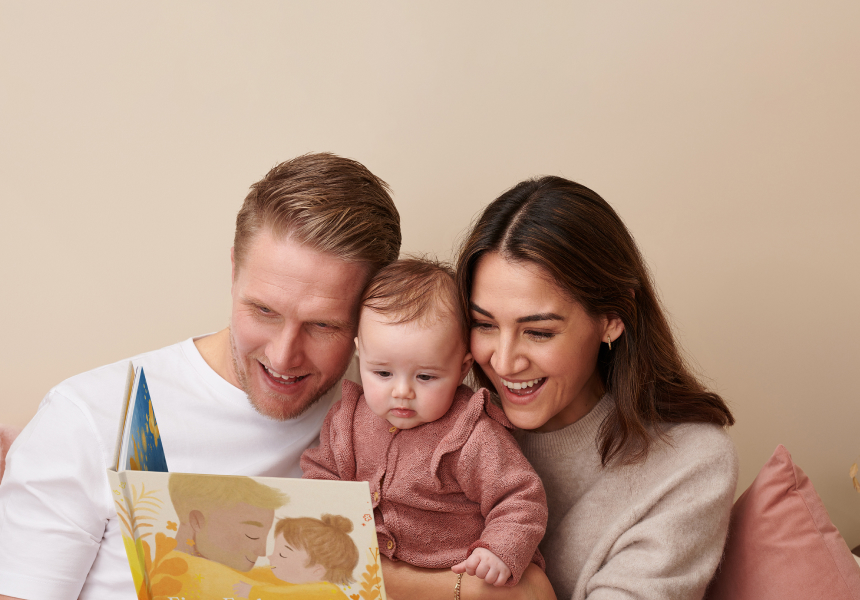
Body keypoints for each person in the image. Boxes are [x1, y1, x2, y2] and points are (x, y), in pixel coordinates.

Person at [0, 153, 401, 600]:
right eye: (263, 310)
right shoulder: (90, 418)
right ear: (233, 271)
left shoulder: (387, 426)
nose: (284, 356)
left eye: (323, 325)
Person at [454, 176, 739, 600]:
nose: (503, 360)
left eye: (538, 332)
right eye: (485, 325)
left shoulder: (690, 463)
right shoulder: (445, 427)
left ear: (612, 318)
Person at [302, 258, 548, 587]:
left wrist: (498, 550)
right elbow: (321, 476)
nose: (402, 391)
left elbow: (519, 497)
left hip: (453, 577)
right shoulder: (346, 419)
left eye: (426, 376)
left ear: (461, 369)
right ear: (360, 354)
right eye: (383, 373)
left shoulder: (472, 434)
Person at [232, 514, 359, 599]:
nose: (270, 557)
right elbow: (263, 573)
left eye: (282, 555)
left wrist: (254, 592)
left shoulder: (327, 592)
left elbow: (289, 595)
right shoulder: (294, 579)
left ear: (317, 570)